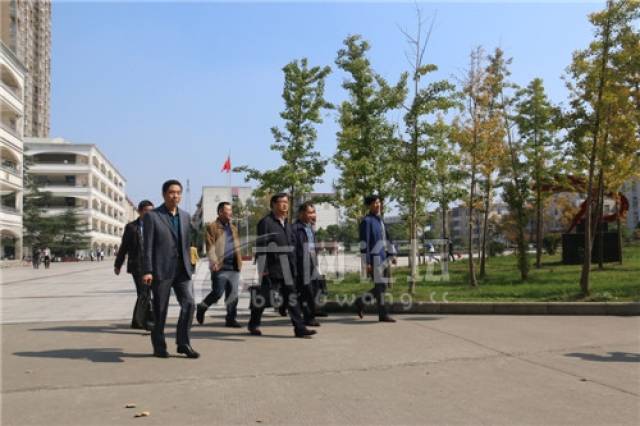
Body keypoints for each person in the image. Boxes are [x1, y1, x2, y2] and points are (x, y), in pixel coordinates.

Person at [142, 180, 199, 359]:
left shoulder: (185, 216)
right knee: (160, 310)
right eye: (172, 192)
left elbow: (187, 242)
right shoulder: (152, 216)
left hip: (182, 270)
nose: (175, 196)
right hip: (161, 269)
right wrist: (147, 270)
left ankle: (183, 343)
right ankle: (159, 346)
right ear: (164, 194)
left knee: (189, 304)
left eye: (178, 192)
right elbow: (147, 245)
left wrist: (191, 262)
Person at [248, 193, 316, 338]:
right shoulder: (266, 222)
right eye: (282, 202)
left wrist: (294, 266)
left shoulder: (287, 223)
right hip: (272, 267)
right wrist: (263, 269)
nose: (285, 204)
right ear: (273, 204)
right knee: (264, 297)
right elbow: (261, 246)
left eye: (287, 202)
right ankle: (253, 324)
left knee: (292, 297)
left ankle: (299, 328)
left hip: (287, 268)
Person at [195, 201, 243, 328]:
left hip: (234, 265)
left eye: (231, 210)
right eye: (228, 210)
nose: (231, 213)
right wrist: (213, 261)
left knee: (233, 294)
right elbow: (210, 246)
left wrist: (239, 261)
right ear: (221, 212)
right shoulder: (212, 227)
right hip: (220, 266)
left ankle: (231, 319)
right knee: (217, 293)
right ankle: (202, 307)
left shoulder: (233, 228)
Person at [355, 195, 397, 322]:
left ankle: (361, 302)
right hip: (374, 259)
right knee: (381, 286)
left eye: (379, 202)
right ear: (369, 206)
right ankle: (382, 314)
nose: (378, 205)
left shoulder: (380, 220)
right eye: (375, 203)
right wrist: (367, 262)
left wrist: (392, 254)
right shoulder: (366, 221)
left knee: (382, 287)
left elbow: (387, 238)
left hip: (384, 257)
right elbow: (364, 244)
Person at [114, 199, 155, 331]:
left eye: (152, 211)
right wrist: (118, 264)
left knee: (145, 293)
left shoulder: (155, 226)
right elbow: (124, 247)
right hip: (137, 265)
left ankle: (138, 321)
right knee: (144, 292)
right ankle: (146, 321)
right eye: (147, 211)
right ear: (140, 211)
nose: (149, 214)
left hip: (152, 265)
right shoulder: (131, 227)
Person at [292, 201, 321, 327]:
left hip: (312, 263)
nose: (312, 215)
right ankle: (309, 317)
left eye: (313, 212)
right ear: (301, 213)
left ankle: (309, 314)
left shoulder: (310, 228)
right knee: (307, 291)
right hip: (301, 265)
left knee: (313, 290)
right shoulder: (295, 229)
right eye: (310, 212)